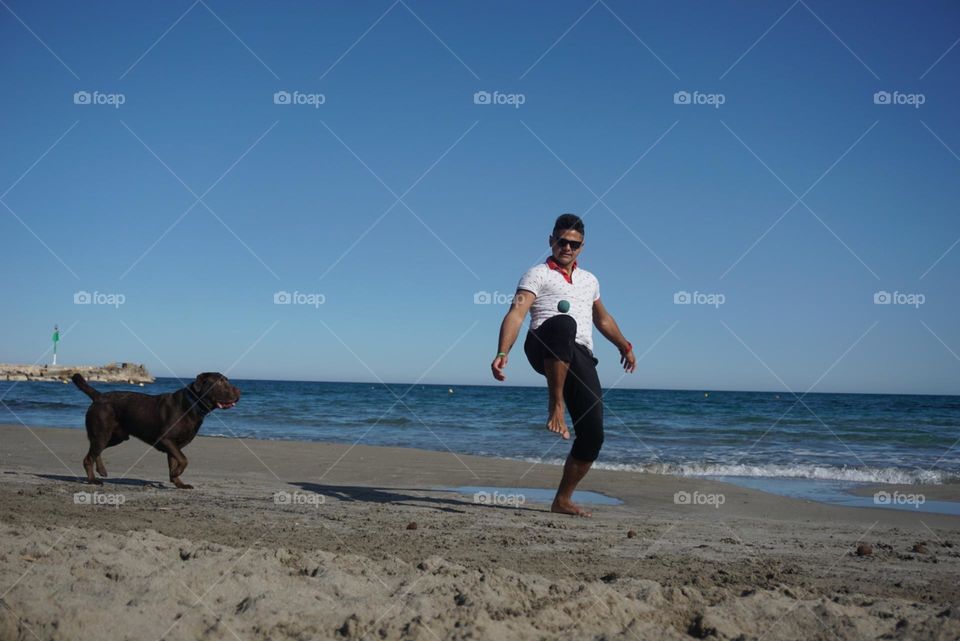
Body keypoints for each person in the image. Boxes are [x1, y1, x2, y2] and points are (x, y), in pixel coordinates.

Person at [492, 213, 636, 516]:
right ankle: (555, 404)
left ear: (582, 247)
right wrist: (503, 352)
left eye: (574, 244)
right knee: (564, 323)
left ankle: (562, 499)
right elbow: (517, 314)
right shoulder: (537, 274)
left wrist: (624, 345)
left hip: (579, 355)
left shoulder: (590, 281)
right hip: (542, 345)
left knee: (593, 436)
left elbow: (603, 319)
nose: (567, 248)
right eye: (562, 241)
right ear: (551, 241)